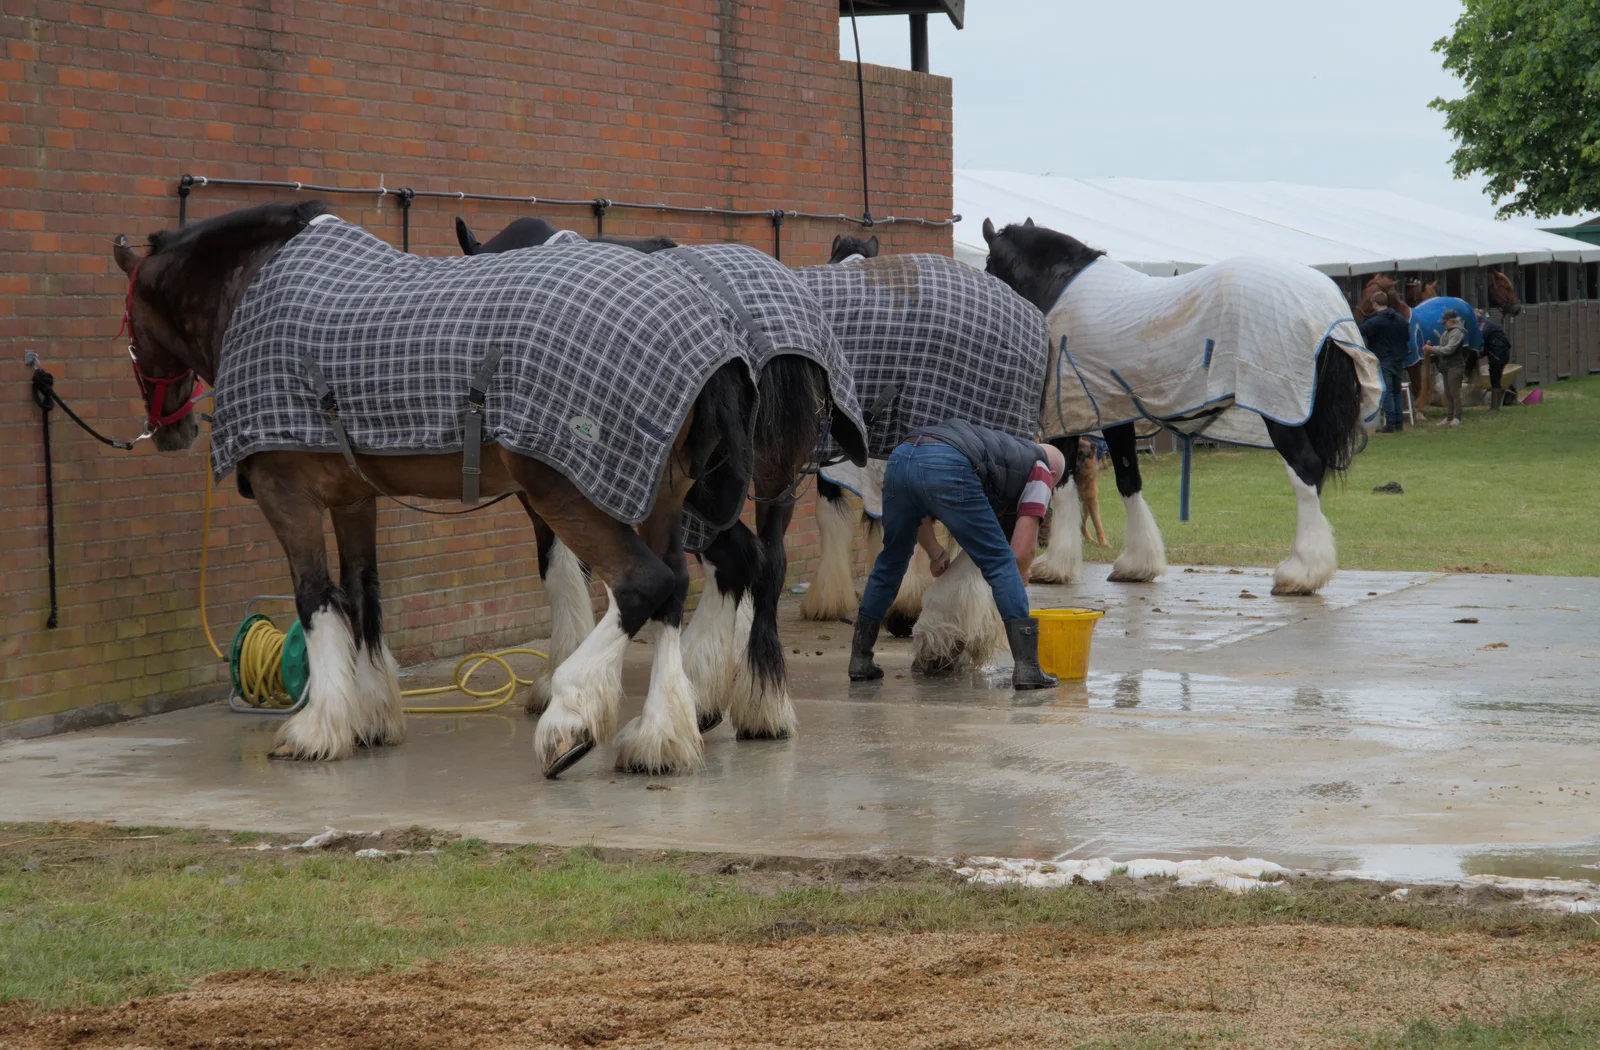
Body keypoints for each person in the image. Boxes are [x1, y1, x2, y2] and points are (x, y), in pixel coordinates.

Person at [848, 419, 1068, 690]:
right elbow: (1022, 551)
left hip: (901, 458)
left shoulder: (1006, 449)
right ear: (1054, 471)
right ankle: (1027, 668)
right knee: (1000, 563)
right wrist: (1020, 576)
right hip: (947, 460)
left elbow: (918, 510)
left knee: (890, 562)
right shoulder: (1042, 469)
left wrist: (936, 553)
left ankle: (860, 659)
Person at [1358, 291, 1411, 432]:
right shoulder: (1400, 319)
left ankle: (1391, 423)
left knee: (1386, 391)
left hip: (1384, 358)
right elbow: (1407, 337)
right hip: (1398, 358)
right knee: (1396, 390)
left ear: (1375, 304)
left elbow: (1359, 331)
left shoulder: (1375, 321)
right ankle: (1398, 422)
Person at [1422, 310, 1469, 426]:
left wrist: (1432, 349)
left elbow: (1449, 349)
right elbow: (1443, 347)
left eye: (1445, 322)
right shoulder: (1447, 332)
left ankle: (1458, 418)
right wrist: (1432, 348)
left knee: (1455, 393)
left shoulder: (1457, 332)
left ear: (1452, 320)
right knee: (1448, 394)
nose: (1443, 324)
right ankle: (1449, 418)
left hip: (1455, 366)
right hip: (1446, 367)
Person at [1481, 317, 1512, 415]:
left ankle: (1495, 408)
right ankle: (1494, 407)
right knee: (1494, 378)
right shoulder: (1484, 323)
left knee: (1495, 379)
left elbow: (1481, 336)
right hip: (1496, 353)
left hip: (1499, 354)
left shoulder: (1484, 324)